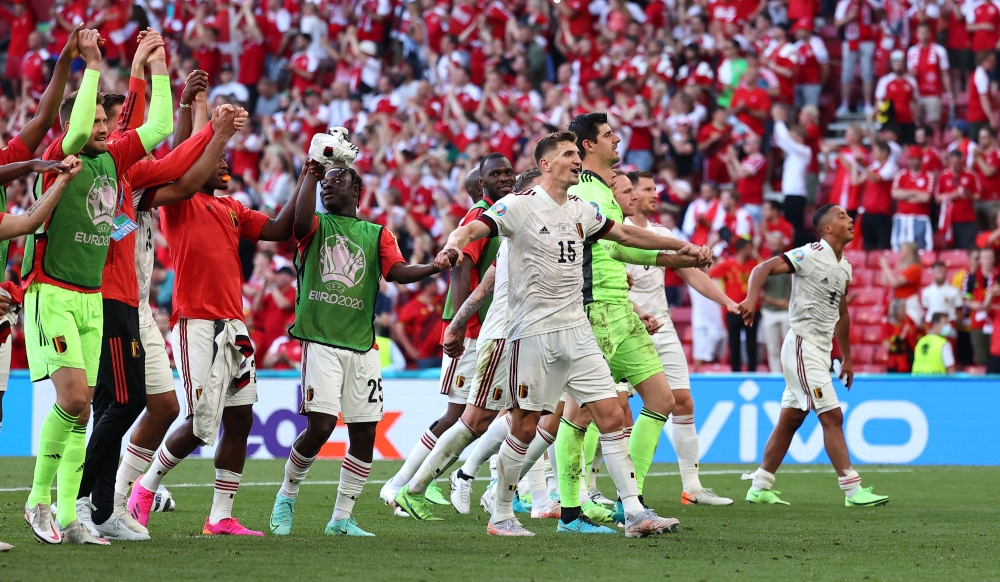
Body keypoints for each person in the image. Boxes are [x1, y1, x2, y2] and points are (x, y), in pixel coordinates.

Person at [436, 130, 700, 537]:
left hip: (577, 329)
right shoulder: (519, 206)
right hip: (532, 333)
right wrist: (453, 245)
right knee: (524, 426)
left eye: (579, 153)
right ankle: (501, 514)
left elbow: (626, 234)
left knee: (611, 414)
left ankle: (634, 513)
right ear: (546, 164)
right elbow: (472, 230)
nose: (577, 159)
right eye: (568, 154)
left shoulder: (580, 208)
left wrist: (681, 246)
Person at [23, 28, 174, 547]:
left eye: (109, 121)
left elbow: (160, 123)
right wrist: (92, 63)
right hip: (53, 293)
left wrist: (158, 64)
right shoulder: (59, 160)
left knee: (85, 407)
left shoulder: (113, 158)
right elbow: (76, 126)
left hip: (91, 299)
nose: (107, 128)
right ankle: (38, 501)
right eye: (98, 121)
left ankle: (70, 516)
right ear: (74, 125)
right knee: (71, 400)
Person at [128, 130, 303, 538]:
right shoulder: (180, 202)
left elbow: (279, 228)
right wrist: (196, 108)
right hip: (196, 323)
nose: (226, 165)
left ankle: (220, 516)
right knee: (200, 420)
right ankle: (146, 486)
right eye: (217, 158)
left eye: (226, 159)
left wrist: (306, 174)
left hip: (234, 324)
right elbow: (187, 153)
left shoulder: (233, 207)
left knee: (240, 417)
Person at [268, 147, 445, 536]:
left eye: (337, 182)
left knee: (365, 432)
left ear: (357, 191)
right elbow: (297, 221)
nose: (329, 188)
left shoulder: (377, 233)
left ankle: (341, 519)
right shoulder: (314, 225)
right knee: (321, 426)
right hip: (320, 341)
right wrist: (312, 170)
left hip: (362, 347)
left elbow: (396, 272)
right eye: (325, 184)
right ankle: (286, 495)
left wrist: (434, 265)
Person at [557, 113, 713, 533]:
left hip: (621, 310)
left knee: (662, 399)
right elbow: (621, 239)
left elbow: (620, 249)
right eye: (608, 135)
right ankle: (570, 510)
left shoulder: (603, 191)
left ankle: (635, 501)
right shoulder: (582, 190)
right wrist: (682, 246)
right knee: (579, 415)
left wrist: (673, 258)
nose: (617, 139)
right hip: (591, 310)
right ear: (589, 146)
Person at [391, 154, 520, 519]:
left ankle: (417, 483)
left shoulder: (500, 213)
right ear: (481, 184)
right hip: (474, 329)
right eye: (496, 174)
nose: (506, 178)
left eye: (508, 172)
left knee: (478, 413)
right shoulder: (480, 217)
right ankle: (403, 485)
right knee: (460, 414)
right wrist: (460, 324)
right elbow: (461, 271)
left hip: (490, 327)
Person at [739, 204, 889, 507]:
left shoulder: (844, 265)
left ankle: (760, 485)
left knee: (791, 419)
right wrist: (751, 298)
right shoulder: (809, 254)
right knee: (832, 415)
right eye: (841, 217)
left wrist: (847, 357)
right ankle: (851, 488)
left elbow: (842, 314)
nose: (849, 220)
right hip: (801, 345)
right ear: (826, 229)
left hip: (821, 350)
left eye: (849, 216)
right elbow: (761, 268)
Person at [624, 170, 736, 506]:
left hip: (664, 326)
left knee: (683, 401)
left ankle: (692, 486)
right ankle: (599, 488)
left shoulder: (662, 233)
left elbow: (692, 276)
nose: (655, 195)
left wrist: (727, 301)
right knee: (611, 413)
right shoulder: (616, 233)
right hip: (625, 327)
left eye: (655, 188)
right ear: (630, 194)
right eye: (647, 189)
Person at [710, 239, 760, 371]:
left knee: (752, 344)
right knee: (734, 343)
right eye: (750, 247)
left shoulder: (754, 264)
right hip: (733, 310)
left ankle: (753, 373)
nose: (752, 251)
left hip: (752, 310)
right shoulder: (727, 265)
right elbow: (710, 273)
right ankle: (735, 374)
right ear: (743, 248)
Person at [771, 105, 813, 248]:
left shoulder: (804, 151)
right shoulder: (795, 152)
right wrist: (778, 122)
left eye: (793, 135)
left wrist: (779, 121)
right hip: (791, 194)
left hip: (796, 194)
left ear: (799, 137)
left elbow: (785, 140)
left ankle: (807, 251)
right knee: (793, 227)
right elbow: (781, 140)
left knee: (796, 228)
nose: (790, 137)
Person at [835, 0, 877, 116]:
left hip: (867, 40)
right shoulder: (844, 3)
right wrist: (849, 17)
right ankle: (845, 104)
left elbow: (879, 17)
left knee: (867, 74)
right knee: (847, 74)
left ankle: (867, 104)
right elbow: (837, 23)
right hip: (850, 40)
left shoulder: (870, 2)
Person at [854, 140, 897, 250]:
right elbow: (855, 181)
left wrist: (862, 164)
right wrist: (855, 163)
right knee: (868, 247)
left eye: (875, 151)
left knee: (882, 247)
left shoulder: (891, 167)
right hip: (868, 213)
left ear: (884, 153)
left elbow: (875, 179)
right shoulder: (872, 168)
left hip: (882, 214)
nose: (872, 153)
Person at [759, 232, 793, 372]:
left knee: (789, 348)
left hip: (786, 310)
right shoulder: (764, 263)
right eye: (772, 243)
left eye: (777, 243)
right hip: (770, 310)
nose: (775, 245)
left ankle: (790, 375)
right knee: (772, 348)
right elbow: (759, 286)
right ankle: (775, 375)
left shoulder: (790, 262)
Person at [891, 146, 935, 251]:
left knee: (922, 249)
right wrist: (915, 193)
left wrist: (905, 196)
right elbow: (894, 193)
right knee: (899, 249)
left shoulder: (928, 175)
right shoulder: (901, 174)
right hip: (902, 218)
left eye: (916, 158)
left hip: (921, 218)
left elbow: (926, 197)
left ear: (921, 160)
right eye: (911, 159)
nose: (913, 161)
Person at [937, 149, 981, 250]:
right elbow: (937, 198)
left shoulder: (971, 175)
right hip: (949, 220)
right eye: (954, 163)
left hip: (968, 219)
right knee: (950, 249)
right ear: (950, 162)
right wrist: (950, 196)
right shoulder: (943, 176)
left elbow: (978, 196)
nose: (957, 165)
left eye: (959, 163)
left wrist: (969, 195)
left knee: (968, 248)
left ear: (962, 161)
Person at [875, 51, 920, 145]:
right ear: (892, 64)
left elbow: (916, 101)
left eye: (901, 62)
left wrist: (917, 119)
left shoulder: (911, 81)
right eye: (896, 62)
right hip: (891, 121)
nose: (899, 65)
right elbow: (878, 100)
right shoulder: (885, 81)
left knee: (908, 145)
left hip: (908, 120)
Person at [963, 247, 996, 366]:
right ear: (980, 260)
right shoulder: (971, 277)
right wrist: (974, 305)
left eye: (990, 257)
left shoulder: (998, 277)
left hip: (995, 321)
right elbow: (966, 298)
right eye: (985, 258)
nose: (988, 260)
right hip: (978, 323)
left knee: (996, 354)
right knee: (980, 355)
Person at [880, 242, 926, 324]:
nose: (899, 253)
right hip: (896, 305)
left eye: (902, 250)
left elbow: (896, 282)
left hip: (908, 305)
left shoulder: (915, 268)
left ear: (909, 252)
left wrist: (886, 267)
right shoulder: (899, 268)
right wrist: (885, 269)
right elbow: (885, 281)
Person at [883, 299, 920, 373]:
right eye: (902, 310)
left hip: (910, 359)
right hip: (895, 362)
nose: (904, 312)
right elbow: (886, 344)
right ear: (895, 311)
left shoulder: (908, 320)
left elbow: (916, 333)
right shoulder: (887, 324)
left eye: (905, 309)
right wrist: (900, 337)